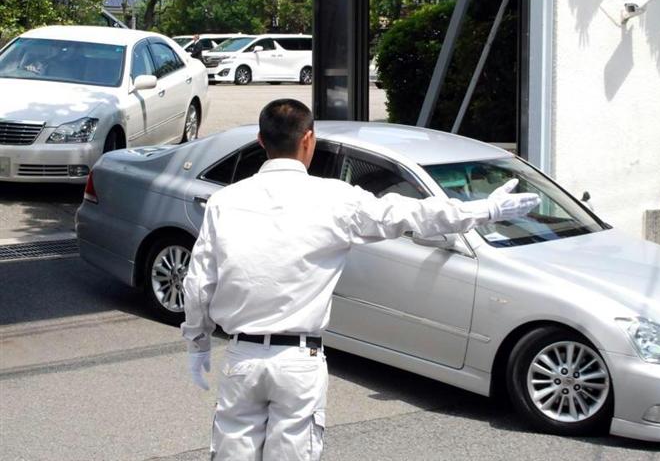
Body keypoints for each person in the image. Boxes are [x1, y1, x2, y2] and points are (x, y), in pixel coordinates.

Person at [182, 99, 540, 461]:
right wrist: (485, 210)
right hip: (298, 359)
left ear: (261, 141)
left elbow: (197, 284)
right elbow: (412, 214)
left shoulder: (225, 202)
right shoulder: (335, 199)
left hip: (243, 355)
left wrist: (197, 344)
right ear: (309, 139)